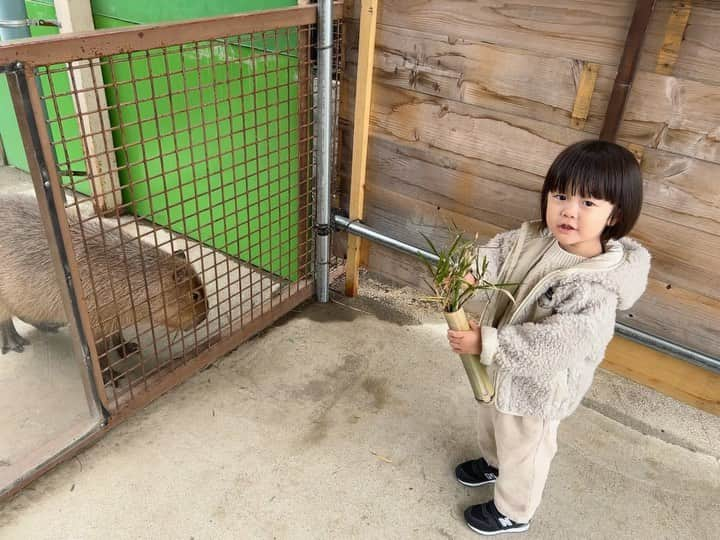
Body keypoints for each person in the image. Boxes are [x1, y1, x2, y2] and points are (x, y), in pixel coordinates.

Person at [446, 140, 651, 535]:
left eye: (589, 203)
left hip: (539, 387)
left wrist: (487, 344)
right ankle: (493, 463)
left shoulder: (596, 286)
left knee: (526, 449)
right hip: (503, 371)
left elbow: (555, 345)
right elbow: (498, 253)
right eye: (560, 196)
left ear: (615, 215)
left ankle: (514, 510)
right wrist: (471, 271)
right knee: (492, 420)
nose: (569, 210)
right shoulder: (534, 238)